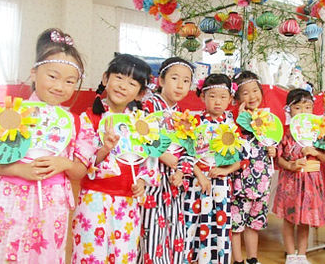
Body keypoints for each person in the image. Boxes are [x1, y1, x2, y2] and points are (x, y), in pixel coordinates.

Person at [0, 28, 88, 263]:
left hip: (53, 203)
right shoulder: (9, 111)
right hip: (9, 198)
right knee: (5, 254)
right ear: (34, 73)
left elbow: (80, 169)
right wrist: (18, 169)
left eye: (70, 81)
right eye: (52, 76)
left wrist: (64, 163)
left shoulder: (74, 122)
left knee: (47, 256)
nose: (60, 86)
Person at [71, 53, 160, 264]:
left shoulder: (141, 124)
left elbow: (150, 158)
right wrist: (104, 149)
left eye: (132, 83)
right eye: (119, 77)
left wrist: (142, 181)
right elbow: (82, 163)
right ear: (105, 79)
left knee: (123, 256)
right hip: (94, 199)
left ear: (140, 93)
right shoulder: (88, 118)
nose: (123, 86)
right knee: (90, 254)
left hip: (127, 202)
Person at [138, 56, 195, 264]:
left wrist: (181, 171)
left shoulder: (183, 115)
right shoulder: (148, 106)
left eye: (186, 81)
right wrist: (162, 155)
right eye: (174, 78)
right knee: (152, 229)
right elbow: (138, 135)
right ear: (161, 80)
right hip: (152, 178)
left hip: (174, 182)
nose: (180, 85)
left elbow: (190, 148)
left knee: (174, 230)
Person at [183, 73, 241, 264]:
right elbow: (186, 153)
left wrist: (225, 170)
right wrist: (200, 175)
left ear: (230, 99)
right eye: (212, 96)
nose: (218, 101)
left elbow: (242, 158)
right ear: (202, 97)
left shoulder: (232, 125)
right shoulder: (194, 122)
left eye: (223, 97)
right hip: (195, 181)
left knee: (219, 224)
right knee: (191, 223)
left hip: (221, 183)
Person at [273, 88, 325, 264]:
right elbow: (279, 158)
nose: (303, 112)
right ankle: (291, 254)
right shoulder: (285, 132)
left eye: (307, 107)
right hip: (290, 181)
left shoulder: (320, 131)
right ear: (289, 110)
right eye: (298, 107)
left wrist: (315, 151)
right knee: (289, 220)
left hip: (311, 181)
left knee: (305, 220)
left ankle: (302, 254)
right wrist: (291, 165)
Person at [231, 71, 276, 264]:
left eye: (255, 91)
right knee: (236, 224)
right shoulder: (233, 120)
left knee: (254, 223)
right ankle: (238, 260)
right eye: (246, 93)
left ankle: (252, 259)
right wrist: (240, 121)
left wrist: (273, 150)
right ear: (238, 97)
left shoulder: (267, 119)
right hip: (240, 181)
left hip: (261, 182)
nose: (252, 96)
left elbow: (272, 143)